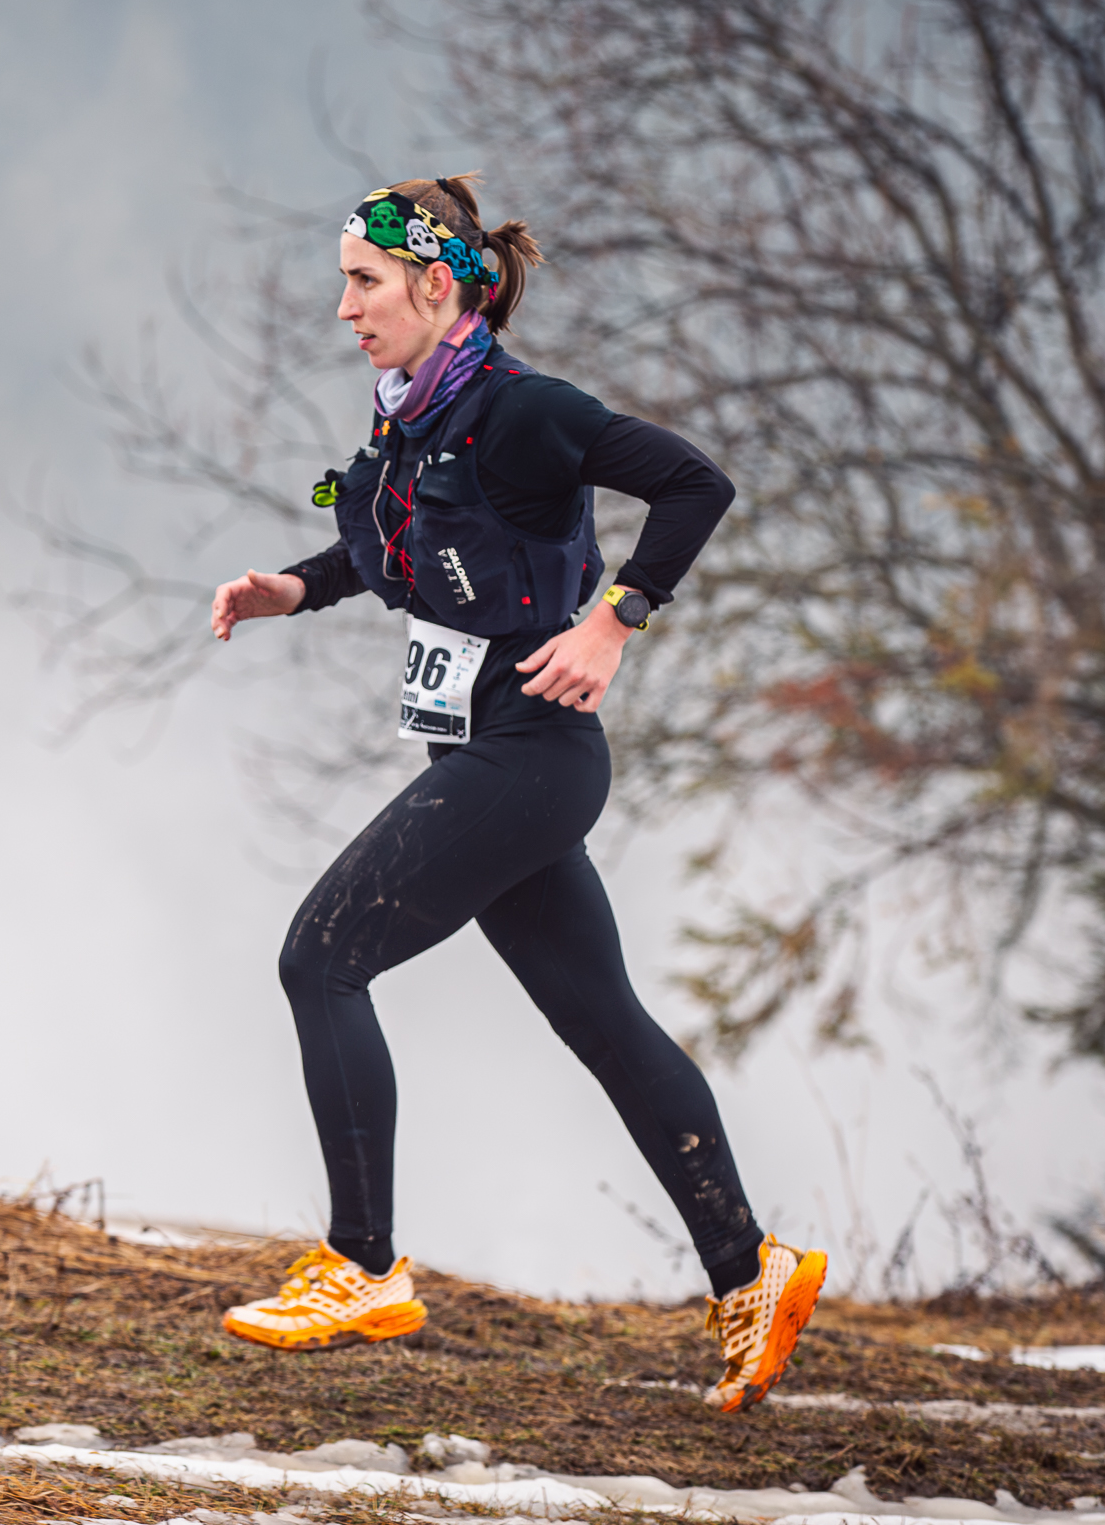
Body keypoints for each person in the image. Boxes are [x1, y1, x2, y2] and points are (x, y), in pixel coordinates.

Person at [208, 177, 826, 1413]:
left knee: (320, 956)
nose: (343, 308)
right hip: (485, 758)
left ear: (437, 287)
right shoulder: (407, 419)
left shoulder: (523, 412)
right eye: (344, 282)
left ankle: (361, 1265)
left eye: (364, 284)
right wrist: (297, 586)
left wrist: (615, 622)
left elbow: (695, 484)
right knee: (602, 1022)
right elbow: (394, 551)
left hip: (533, 756)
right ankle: (750, 1270)